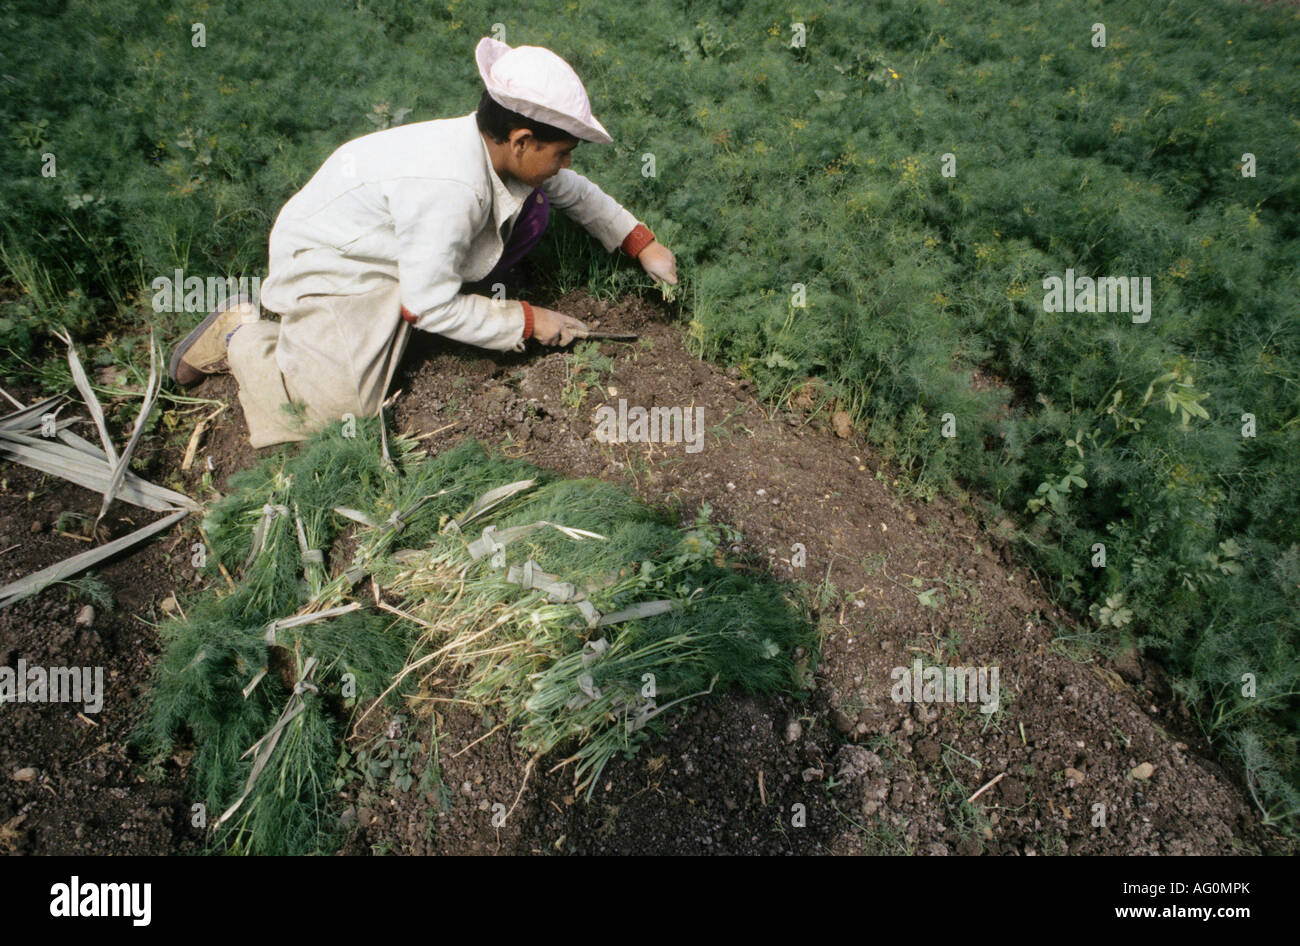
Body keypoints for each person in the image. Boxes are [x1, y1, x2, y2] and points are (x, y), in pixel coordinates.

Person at [168, 36, 678, 448]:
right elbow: (426, 305)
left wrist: (641, 244)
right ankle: (239, 333)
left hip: (397, 242)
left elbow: (574, 190)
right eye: (564, 152)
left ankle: (432, 289)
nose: (568, 163)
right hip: (334, 266)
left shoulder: (495, 147)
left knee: (538, 202)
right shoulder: (448, 189)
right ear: (522, 141)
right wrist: (527, 319)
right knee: (335, 414)